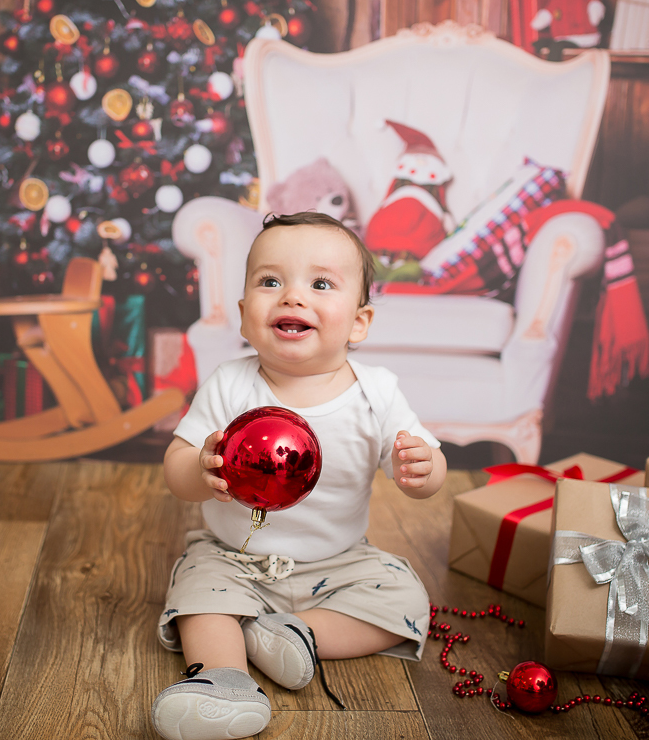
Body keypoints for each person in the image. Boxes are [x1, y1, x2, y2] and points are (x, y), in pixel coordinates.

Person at [152, 211, 448, 740]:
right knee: (201, 595)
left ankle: (293, 634)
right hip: (234, 555)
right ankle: (225, 683)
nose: (292, 297)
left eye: (320, 283)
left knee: (406, 599)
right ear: (245, 316)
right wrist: (201, 469)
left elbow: (426, 464)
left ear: (359, 322)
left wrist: (423, 470)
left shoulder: (375, 392)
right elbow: (176, 471)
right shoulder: (229, 384)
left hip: (341, 562)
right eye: (270, 281)